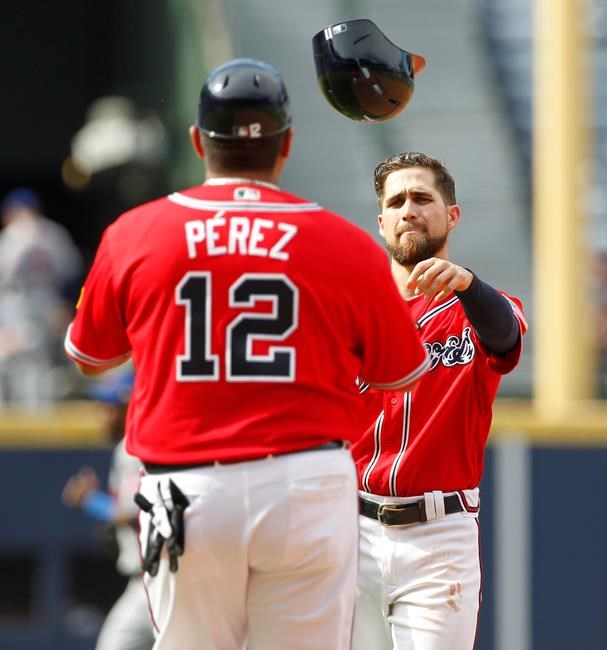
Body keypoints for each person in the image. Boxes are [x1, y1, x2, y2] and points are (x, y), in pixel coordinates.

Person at [63, 58, 430, 650]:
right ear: (285, 144)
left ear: (197, 139)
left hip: (185, 485)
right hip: (306, 481)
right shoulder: (345, 243)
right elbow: (402, 376)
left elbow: (89, 356)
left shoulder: (135, 232)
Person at [350, 152, 527, 650]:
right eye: (397, 201)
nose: (409, 209)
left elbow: (506, 334)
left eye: (423, 198)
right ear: (381, 221)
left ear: (452, 215)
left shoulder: (480, 307)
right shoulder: (353, 312)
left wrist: (468, 283)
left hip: (437, 535)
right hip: (351, 530)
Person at [62, 368, 154, 650]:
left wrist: (92, 501)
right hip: (146, 580)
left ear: (131, 403)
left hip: (159, 581)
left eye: (110, 404)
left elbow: (139, 515)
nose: (104, 411)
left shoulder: (138, 447)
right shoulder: (127, 447)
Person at [0, 187, 82, 405]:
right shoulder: (54, 235)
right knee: (38, 367)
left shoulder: (12, 238)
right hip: (33, 309)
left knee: (36, 368)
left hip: (29, 310)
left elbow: (70, 275)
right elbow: (72, 275)